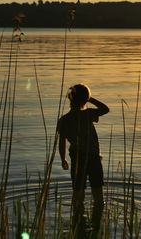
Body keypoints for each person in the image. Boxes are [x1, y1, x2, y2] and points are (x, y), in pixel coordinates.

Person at [57, 84, 109, 237]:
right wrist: (91, 99)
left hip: (77, 159)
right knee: (98, 196)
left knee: (77, 194)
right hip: (93, 159)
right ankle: (95, 223)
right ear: (85, 99)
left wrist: (63, 159)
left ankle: (77, 223)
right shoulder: (88, 115)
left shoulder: (64, 120)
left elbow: (62, 142)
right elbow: (105, 109)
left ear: (70, 99)